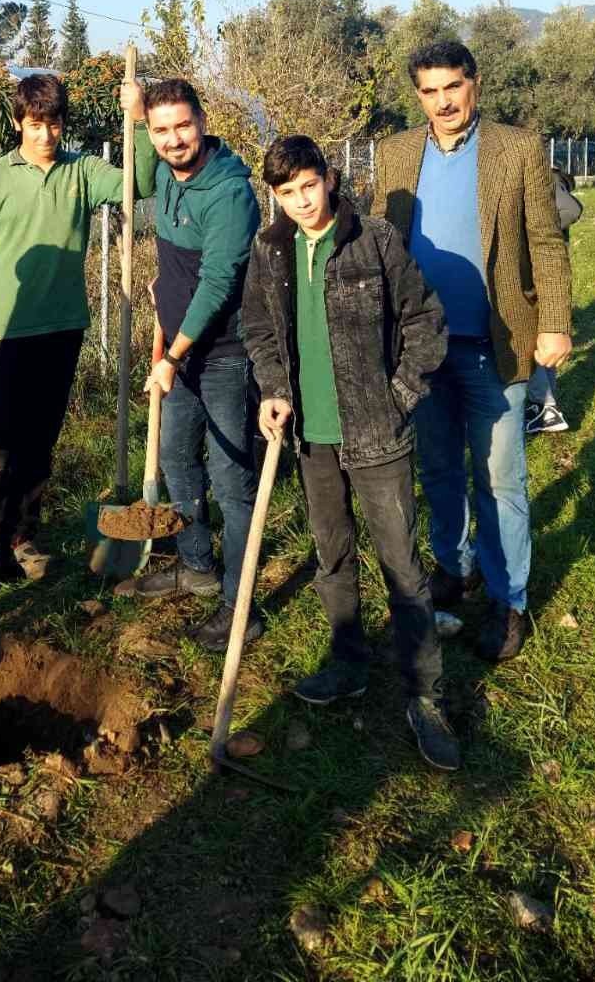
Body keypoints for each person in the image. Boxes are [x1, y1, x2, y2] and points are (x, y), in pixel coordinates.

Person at [241, 136, 459, 770]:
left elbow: (424, 320)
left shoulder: (375, 240)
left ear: (330, 179)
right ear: (275, 196)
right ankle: (348, 663)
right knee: (331, 554)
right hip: (311, 435)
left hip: (377, 433)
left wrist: (400, 395)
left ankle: (426, 696)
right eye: (288, 193)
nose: (302, 201)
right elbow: (259, 327)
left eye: (310, 186)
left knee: (402, 565)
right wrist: (274, 389)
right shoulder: (270, 249)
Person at [373, 41, 572, 662]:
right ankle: (454, 567)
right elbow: (382, 245)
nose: (443, 102)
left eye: (452, 87)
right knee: (437, 468)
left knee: (500, 478)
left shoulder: (517, 149)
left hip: (497, 342)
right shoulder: (395, 153)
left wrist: (555, 322)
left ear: (475, 84)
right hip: (421, 347)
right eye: (429, 91)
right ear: (418, 96)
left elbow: (545, 241)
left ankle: (508, 598)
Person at [0, 72, 153, 586]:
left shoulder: (81, 171)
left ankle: (24, 537)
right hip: (3, 331)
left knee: (40, 441)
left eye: (54, 124)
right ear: (18, 122)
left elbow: (139, 184)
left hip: (62, 327)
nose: (45, 135)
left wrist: (138, 120)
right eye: (35, 124)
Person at [124, 78, 262, 651]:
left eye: (183, 125)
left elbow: (218, 282)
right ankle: (196, 564)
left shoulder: (229, 193)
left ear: (202, 122)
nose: (174, 139)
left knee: (231, 480)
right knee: (178, 460)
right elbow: (136, 180)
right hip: (177, 354)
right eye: (162, 130)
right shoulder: (164, 172)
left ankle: (240, 605)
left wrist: (172, 356)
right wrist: (136, 118)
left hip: (224, 354)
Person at [525, 165, 582, 435]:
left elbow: (572, 209)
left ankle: (545, 408)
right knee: (539, 335)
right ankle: (543, 406)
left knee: (532, 337)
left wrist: (537, 231)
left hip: (538, 268)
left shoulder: (545, 177)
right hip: (537, 267)